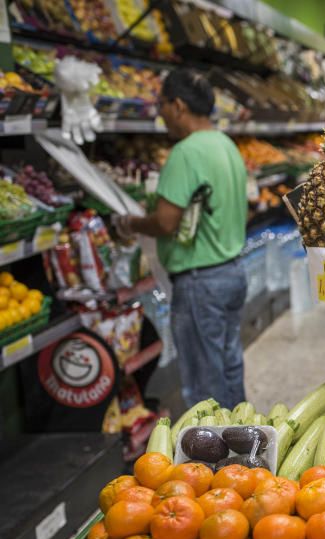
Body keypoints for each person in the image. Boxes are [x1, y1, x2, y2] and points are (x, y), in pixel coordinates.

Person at [120, 69, 249, 409]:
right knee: (229, 367)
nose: (160, 113)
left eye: (161, 104)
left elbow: (165, 222)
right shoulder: (226, 144)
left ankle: (215, 459)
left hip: (200, 281)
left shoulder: (185, 153)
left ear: (177, 105)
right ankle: (246, 447)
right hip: (233, 271)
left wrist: (130, 222)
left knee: (204, 383)